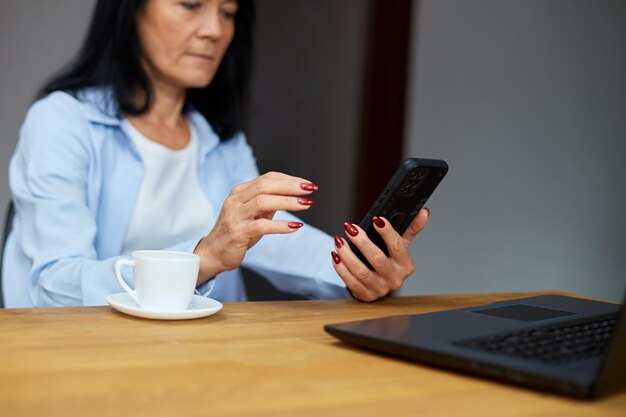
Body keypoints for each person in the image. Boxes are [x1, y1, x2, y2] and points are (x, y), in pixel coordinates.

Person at [2, 0, 429, 308]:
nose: (215, 30)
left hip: (209, 360)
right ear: (130, 10)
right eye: (191, 5)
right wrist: (200, 259)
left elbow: (271, 239)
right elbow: (50, 285)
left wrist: (359, 271)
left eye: (228, 12)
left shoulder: (219, 138)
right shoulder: (62, 121)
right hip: (97, 363)